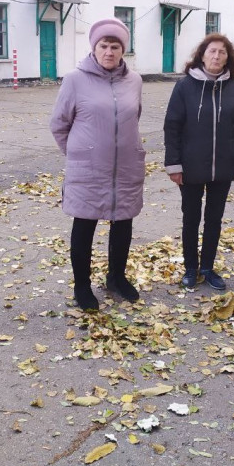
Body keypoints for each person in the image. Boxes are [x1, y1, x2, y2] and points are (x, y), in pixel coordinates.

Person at [50, 18, 146, 310]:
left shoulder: (135, 81)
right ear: (94, 48)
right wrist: (81, 153)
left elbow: (133, 118)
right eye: (103, 45)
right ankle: (81, 286)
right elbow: (59, 125)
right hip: (89, 169)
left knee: (123, 222)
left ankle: (116, 277)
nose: (109, 52)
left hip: (126, 165)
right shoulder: (75, 80)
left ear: (122, 50)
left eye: (115, 46)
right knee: (85, 224)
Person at [163, 33, 234, 290]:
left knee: (214, 219)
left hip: (223, 167)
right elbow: (172, 127)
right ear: (202, 54)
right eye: (212, 51)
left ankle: (208, 267)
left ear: (228, 59)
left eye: (222, 53)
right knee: (191, 218)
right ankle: (191, 268)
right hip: (190, 167)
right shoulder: (184, 86)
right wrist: (174, 164)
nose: (216, 56)